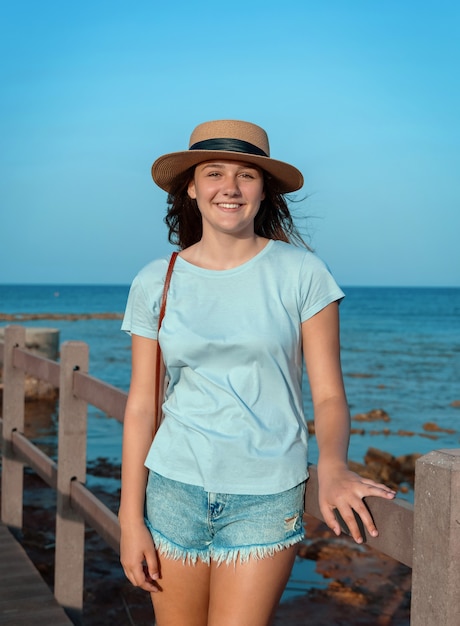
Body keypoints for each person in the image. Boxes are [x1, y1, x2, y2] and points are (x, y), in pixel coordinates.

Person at [119, 119, 396, 626]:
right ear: (191, 186)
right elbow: (141, 405)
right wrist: (128, 519)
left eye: (246, 174)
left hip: (266, 496)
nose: (230, 187)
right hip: (173, 490)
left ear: (264, 189)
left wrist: (332, 465)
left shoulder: (303, 274)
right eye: (214, 173)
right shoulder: (156, 281)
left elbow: (329, 395)